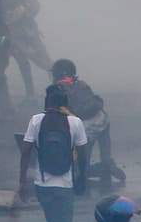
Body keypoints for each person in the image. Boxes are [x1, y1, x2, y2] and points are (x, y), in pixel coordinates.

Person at [13, 83, 90, 222]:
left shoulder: (36, 120)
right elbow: (83, 154)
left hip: (42, 185)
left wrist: (21, 182)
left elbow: (26, 152)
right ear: (65, 104)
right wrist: (82, 177)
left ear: (46, 103)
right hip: (64, 186)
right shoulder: (75, 122)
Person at [51, 58, 122, 190]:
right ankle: (107, 164)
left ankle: (93, 170)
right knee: (103, 152)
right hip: (102, 119)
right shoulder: (81, 84)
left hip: (86, 127)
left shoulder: (58, 89)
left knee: (81, 167)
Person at [4, 0, 51, 103]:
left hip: (28, 35)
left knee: (46, 63)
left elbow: (35, 5)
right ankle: (30, 94)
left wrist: (27, 14)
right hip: (15, 37)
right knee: (22, 64)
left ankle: (64, 87)